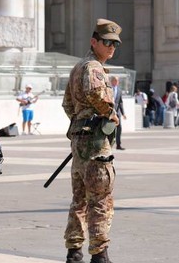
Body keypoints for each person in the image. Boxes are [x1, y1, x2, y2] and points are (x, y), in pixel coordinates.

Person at [61, 18, 121, 263]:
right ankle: (100, 254)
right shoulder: (93, 67)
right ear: (94, 41)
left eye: (115, 44)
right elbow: (98, 95)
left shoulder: (78, 67)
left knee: (79, 200)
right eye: (107, 42)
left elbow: (66, 103)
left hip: (79, 142)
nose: (111, 47)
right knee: (100, 199)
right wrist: (110, 113)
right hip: (96, 144)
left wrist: (79, 120)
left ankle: (74, 251)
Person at [111, 76, 126, 150]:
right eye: (115, 80)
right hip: (109, 112)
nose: (116, 82)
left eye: (117, 81)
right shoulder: (109, 89)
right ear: (112, 81)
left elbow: (120, 103)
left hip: (117, 112)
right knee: (109, 129)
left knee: (119, 128)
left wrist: (123, 113)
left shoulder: (119, 90)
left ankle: (118, 144)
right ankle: (108, 145)